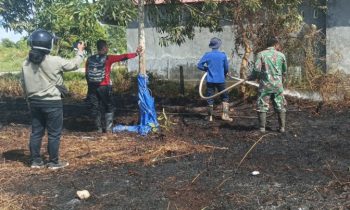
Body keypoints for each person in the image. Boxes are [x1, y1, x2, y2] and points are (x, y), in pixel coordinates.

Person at [21, 29, 85, 169]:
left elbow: (23, 84)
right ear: (48, 44)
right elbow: (74, 64)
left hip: (34, 103)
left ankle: (35, 161)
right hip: (52, 103)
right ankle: (54, 162)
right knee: (54, 134)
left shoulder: (25, 64)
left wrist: (29, 99)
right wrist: (80, 51)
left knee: (36, 132)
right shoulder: (55, 60)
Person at [86, 40, 141, 133]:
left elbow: (86, 74)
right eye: (107, 47)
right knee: (109, 106)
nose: (108, 48)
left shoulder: (89, 59)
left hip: (92, 87)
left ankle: (98, 129)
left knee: (95, 107)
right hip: (104, 86)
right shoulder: (108, 58)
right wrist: (136, 53)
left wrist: (90, 87)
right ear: (104, 48)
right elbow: (123, 57)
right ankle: (108, 129)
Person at [248, 36, 287, 133]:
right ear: (275, 44)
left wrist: (251, 77)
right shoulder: (281, 55)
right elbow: (284, 71)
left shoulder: (260, 54)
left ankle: (262, 128)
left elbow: (256, 70)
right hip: (278, 84)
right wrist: (281, 82)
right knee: (280, 104)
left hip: (265, 85)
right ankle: (282, 128)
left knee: (262, 104)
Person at [197, 37, 232, 122]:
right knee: (225, 97)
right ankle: (225, 115)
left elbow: (199, 65)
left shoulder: (207, 55)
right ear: (218, 45)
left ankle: (210, 117)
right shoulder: (222, 55)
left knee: (209, 98)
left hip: (210, 80)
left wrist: (207, 69)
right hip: (221, 80)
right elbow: (226, 68)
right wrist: (226, 73)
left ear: (211, 46)